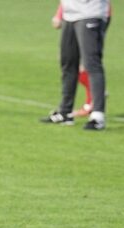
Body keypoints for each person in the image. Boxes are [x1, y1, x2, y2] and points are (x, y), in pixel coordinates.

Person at [40, 0, 111, 130]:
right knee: (68, 63)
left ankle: (97, 116)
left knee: (92, 64)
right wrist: (60, 13)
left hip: (91, 13)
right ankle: (65, 111)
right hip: (70, 15)